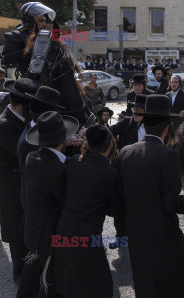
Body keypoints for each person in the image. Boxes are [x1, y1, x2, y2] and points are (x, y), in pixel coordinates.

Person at [116, 95, 184, 297]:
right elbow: (171, 202)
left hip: (135, 233)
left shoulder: (124, 152)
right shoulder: (168, 155)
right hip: (163, 234)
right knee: (177, 283)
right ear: (167, 127)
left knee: (146, 283)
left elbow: (119, 197)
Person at [55, 125, 123, 298]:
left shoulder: (74, 162)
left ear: (88, 145)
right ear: (110, 145)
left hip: (63, 229)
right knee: (98, 286)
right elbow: (116, 208)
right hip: (87, 236)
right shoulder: (109, 173)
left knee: (70, 283)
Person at [24, 111, 79, 295]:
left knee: (30, 280)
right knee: (49, 284)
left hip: (33, 231)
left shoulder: (31, 158)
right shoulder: (58, 170)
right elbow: (68, 202)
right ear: (63, 140)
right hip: (49, 239)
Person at [0, 78, 37, 286]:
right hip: (12, 188)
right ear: (24, 106)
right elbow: (24, 150)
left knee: (27, 227)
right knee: (16, 231)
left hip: (25, 184)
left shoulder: (19, 119)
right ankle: (19, 273)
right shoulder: (4, 125)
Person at [108, 94, 146, 248]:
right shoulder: (125, 123)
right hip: (124, 169)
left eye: (139, 111)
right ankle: (120, 235)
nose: (135, 113)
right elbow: (108, 131)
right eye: (134, 110)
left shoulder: (152, 126)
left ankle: (140, 234)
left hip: (144, 170)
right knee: (120, 203)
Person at [2, 2, 56, 77]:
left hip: (45, 80)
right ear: (29, 21)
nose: (44, 25)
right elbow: (6, 59)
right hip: (20, 80)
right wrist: (31, 49)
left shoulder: (47, 40)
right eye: (41, 21)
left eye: (45, 21)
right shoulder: (15, 37)